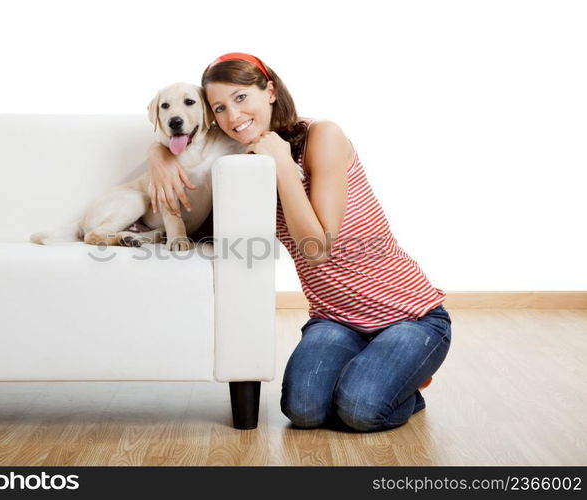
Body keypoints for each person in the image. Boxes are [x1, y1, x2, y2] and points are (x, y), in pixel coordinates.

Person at [147, 52, 452, 432]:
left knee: (358, 409)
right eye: (220, 107)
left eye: (242, 98)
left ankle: (405, 382)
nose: (233, 116)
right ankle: (377, 368)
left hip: (409, 317)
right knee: (303, 410)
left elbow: (317, 249)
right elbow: (184, 155)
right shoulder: (241, 157)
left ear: (270, 91)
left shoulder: (323, 136)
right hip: (335, 320)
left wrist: (283, 166)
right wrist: (158, 154)